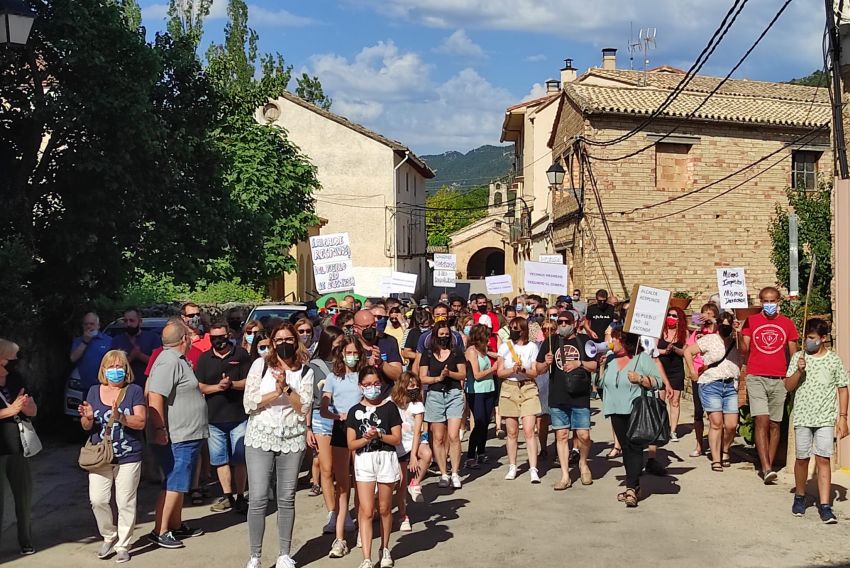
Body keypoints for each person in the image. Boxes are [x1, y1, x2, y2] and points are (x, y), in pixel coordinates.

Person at [243, 322, 314, 568]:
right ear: (272, 343)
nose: (284, 343)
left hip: (292, 438)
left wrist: (286, 387)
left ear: (296, 341)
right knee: (259, 497)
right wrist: (275, 393)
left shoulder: (306, 371)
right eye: (279, 340)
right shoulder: (260, 365)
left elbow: (304, 406)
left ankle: (284, 553)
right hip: (261, 436)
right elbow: (249, 403)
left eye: (289, 339)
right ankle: (255, 556)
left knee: (286, 498)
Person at [79, 350, 146, 563]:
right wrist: (88, 418)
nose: (115, 370)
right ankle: (109, 535)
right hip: (101, 455)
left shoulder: (134, 391)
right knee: (97, 499)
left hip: (129, 454)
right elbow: (86, 426)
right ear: (103, 370)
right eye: (111, 367)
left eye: (119, 366)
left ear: (126, 370)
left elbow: (141, 422)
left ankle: (123, 544)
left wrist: (121, 418)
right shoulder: (93, 391)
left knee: (125, 501)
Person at [147, 319, 208, 549]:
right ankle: (160, 530)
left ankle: (175, 523)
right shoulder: (169, 361)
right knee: (174, 482)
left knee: (180, 483)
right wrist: (161, 429)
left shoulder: (177, 360)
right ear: (184, 339)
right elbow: (155, 396)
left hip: (187, 434)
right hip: (177, 435)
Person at [785, 318, 849, 523]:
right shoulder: (798, 357)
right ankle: (800, 496)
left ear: (822, 338)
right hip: (803, 415)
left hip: (825, 417)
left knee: (823, 459)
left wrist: (843, 418)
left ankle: (825, 504)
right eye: (806, 337)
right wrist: (799, 371)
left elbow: (842, 388)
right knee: (802, 458)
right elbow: (788, 386)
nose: (808, 342)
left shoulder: (833, 360)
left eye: (812, 338)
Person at [741, 286, 799, 484]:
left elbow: (793, 353)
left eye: (772, 300)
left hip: (779, 378)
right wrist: (738, 331)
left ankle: (770, 465)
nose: (769, 304)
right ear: (760, 301)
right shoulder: (751, 321)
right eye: (765, 301)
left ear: (778, 302)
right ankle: (765, 467)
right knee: (762, 420)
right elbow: (744, 349)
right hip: (756, 376)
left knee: (775, 424)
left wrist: (792, 377)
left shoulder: (787, 324)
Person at [599, 330, 663, 507]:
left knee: (634, 448)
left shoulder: (641, 358)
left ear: (624, 341)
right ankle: (634, 487)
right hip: (615, 410)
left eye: (615, 338)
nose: (611, 341)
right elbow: (600, 384)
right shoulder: (611, 359)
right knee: (626, 449)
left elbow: (658, 382)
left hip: (635, 410)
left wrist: (641, 378)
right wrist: (602, 367)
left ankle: (630, 488)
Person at [346, 366, 402, 568]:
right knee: (367, 510)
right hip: (364, 460)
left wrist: (379, 435)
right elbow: (351, 443)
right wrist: (365, 438)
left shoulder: (390, 408)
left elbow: (396, 438)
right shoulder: (354, 411)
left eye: (376, 383)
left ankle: (385, 548)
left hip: (386, 457)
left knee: (385, 508)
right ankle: (367, 558)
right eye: (368, 384)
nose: (372, 388)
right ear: (361, 386)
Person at [536, 311, 597, 490]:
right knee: (561, 435)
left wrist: (580, 364)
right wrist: (545, 363)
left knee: (583, 435)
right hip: (558, 395)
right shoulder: (551, 342)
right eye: (560, 321)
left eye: (566, 321)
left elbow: (594, 365)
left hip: (579, 395)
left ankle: (583, 463)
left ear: (574, 323)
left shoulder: (585, 341)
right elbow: (538, 368)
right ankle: (565, 475)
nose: (562, 324)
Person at [195, 323, 251, 514]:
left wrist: (231, 385)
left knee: (240, 459)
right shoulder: (204, 359)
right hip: (214, 418)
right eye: (214, 338)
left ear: (229, 335)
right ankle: (228, 496)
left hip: (238, 416)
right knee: (220, 460)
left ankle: (241, 495)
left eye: (221, 337)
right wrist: (217, 388)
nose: (218, 341)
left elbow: (250, 382)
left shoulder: (241, 355)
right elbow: (200, 386)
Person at [323, 336, 366, 558]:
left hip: (361, 430)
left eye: (355, 352)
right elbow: (323, 407)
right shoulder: (332, 377)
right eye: (348, 352)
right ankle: (339, 539)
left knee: (362, 482)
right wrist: (334, 414)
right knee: (342, 485)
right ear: (341, 354)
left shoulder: (365, 376)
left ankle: (362, 530)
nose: (352, 356)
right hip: (340, 430)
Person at [684, 312, 740, 472]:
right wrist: (692, 371)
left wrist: (740, 330)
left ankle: (725, 450)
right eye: (722, 324)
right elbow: (688, 351)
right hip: (710, 383)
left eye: (728, 325)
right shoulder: (709, 339)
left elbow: (747, 349)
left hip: (730, 385)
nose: (725, 328)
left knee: (731, 425)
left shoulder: (737, 342)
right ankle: (716, 459)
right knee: (716, 423)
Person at [418, 320, 467, 489]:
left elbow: (462, 375)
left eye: (447, 335)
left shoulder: (456, 352)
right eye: (441, 335)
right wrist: (438, 378)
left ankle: (455, 472)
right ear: (435, 336)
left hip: (453, 394)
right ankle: (443, 472)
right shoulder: (428, 354)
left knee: (453, 435)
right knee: (437, 437)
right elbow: (422, 377)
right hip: (435, 395)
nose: (444, 337)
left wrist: (449, 374)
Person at [0, 339, 36, 555]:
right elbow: (13, 410)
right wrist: (11, 410)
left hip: (18, 446)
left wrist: (29, 408)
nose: (15, 361)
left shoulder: (15, 378)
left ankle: (26, 540)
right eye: (11, 357)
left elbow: (31, 409)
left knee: (23, 497)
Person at [497, 317, 541, 483]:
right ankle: (513, 465)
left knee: (529, 430)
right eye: (512, 328)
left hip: (528, 387)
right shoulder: (504, 347)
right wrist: (511, 370)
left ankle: (533, 468)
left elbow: (535, 372)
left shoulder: (532, 347)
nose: (514, 331)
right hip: (509, 388)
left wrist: (523, 369)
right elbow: (500, 372)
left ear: (524, 330)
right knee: (512, 432)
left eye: (517, 328)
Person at [307, 326, 343, 522]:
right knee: (327, 468)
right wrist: (308, 428)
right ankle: (332, 513)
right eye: (338, 342)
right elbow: (309, 399)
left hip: (344, 417)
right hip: (321, 418)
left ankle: (344, 508)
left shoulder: (348, 364)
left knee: (344, 470)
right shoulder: (314, 367)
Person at [390, 371, 426, 531]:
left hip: (407, 447)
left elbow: (417, 432)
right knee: (390, 484)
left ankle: (403, 515)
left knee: (402, 483)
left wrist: (413, 456)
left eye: (417, 386)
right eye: (411, 385)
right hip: (391, 447)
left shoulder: (417, 405)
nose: (415, 388)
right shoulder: (390, 402)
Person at [684, 303, 719, 458]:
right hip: (699, 374)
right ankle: (699, 445)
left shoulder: (718, 332)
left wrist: (714, 321)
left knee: (715, 413)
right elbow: (688, 349)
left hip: (714, 374)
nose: (706, 316)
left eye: (710, 313)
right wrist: (691, 370)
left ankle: (716, 446)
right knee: (699, 412)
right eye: (704, 313)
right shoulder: (698, 333)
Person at [464, 324, 499, 468]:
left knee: (485, 422)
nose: (489, 341)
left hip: (489, 389)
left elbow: (498, 355)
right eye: (487, 337)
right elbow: (477, 375)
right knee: (478, 422)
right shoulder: (472, 351)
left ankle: (482, 452)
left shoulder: (484, 350)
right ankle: (471, 455)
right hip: (476, 391)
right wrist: (493, 369)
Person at [111, 308, 161, 389]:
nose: (128, 324)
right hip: (124, 386)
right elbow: (112, 366)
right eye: (125, 321)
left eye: (132, 320)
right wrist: (131, 357)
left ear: (140, 321)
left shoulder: (152, 338)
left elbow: (158, 363)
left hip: (148, 386)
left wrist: (140, 356)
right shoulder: (117, 340)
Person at [658, 306, 687, 441]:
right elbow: (652, 349)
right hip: (660, 368)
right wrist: (664, 351)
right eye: (669, 315)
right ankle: (659, 428)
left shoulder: (683, 333)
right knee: (660, 400)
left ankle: (673, 430)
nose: (671, 318)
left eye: (675, 316)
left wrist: (674, 348)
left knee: (674, 401)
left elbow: (685, 353)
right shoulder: (660, 331)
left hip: (676, 370)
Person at [354, 310, 402, 384]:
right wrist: (367, 365)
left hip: (385, 394)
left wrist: (381, 363)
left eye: (373, 325)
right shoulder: (351, 344)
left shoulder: (388, 341)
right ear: (355, 328)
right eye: (365, 327)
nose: (370, 329)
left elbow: (398, 375)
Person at [70, 312, 113, 392]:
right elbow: (73, 359)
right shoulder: (78, 341)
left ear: (98, 325)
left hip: (105, 385)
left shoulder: (109, 341)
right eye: (86, 324)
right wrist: (85, 342)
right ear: (82, 326)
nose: (89, 326)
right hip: (84, 387)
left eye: (92, 324)